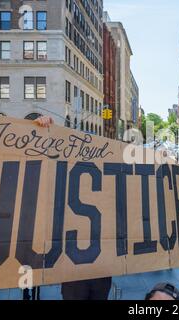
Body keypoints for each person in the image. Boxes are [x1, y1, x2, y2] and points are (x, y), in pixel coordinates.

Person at [34, 116, 113, 301]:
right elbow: (37, 163)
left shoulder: (109, 180)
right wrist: (44, 129)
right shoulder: (61, 177)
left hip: (102, 268)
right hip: (72, 270)